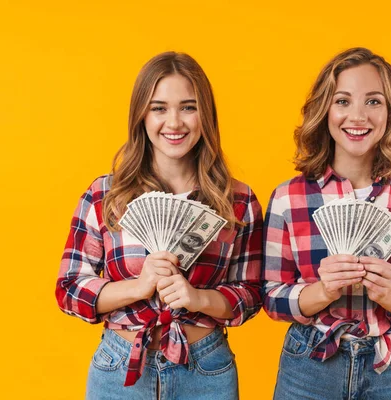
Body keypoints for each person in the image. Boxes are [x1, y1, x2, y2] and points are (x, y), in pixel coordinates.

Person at [56, 52, 263, 400]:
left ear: (205, 115)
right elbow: (70, 290)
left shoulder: (237, 199)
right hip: (120, 366)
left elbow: (252, 295)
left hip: (206, 369)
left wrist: (199, 298)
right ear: (141, 115)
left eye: (188, 107)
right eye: (159, 108)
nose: (174, 122)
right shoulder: (104, 194)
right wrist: (139, 286)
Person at [262, 47, 391, 399]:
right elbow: (271, 297)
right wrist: (323, 291)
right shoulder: (289, 198)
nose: (358, 116)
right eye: (343, 101)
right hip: (309, 362)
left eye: (374, 102)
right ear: (325, 110)